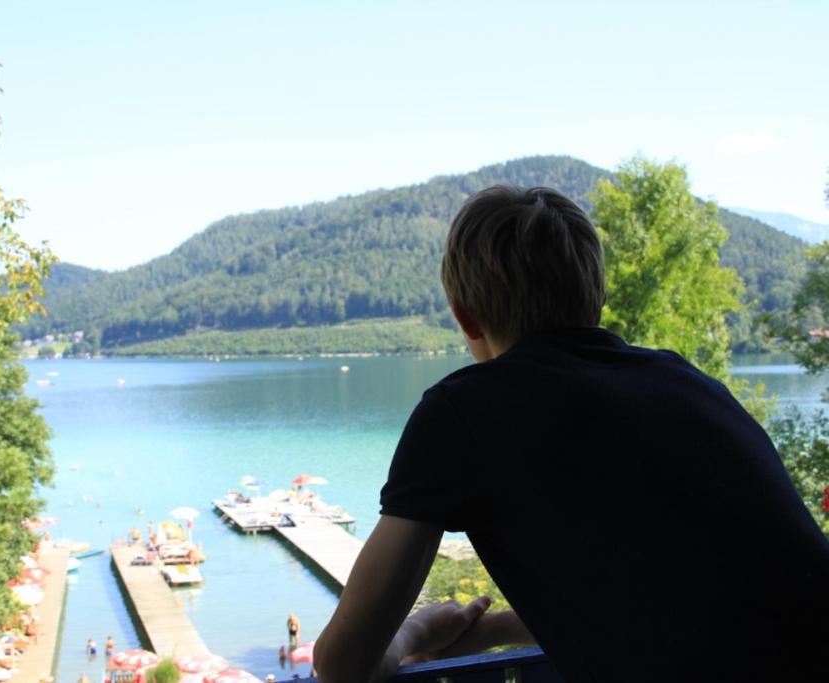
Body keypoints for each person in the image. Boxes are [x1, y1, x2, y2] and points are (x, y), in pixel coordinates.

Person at [313, 186, 829, 682]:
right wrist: (492, 632)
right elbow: (685, 599)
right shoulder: (688, 384)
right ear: (597, 296)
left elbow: (342, 665)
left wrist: (414, 633)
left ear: (465, 318)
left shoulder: (463, 411)